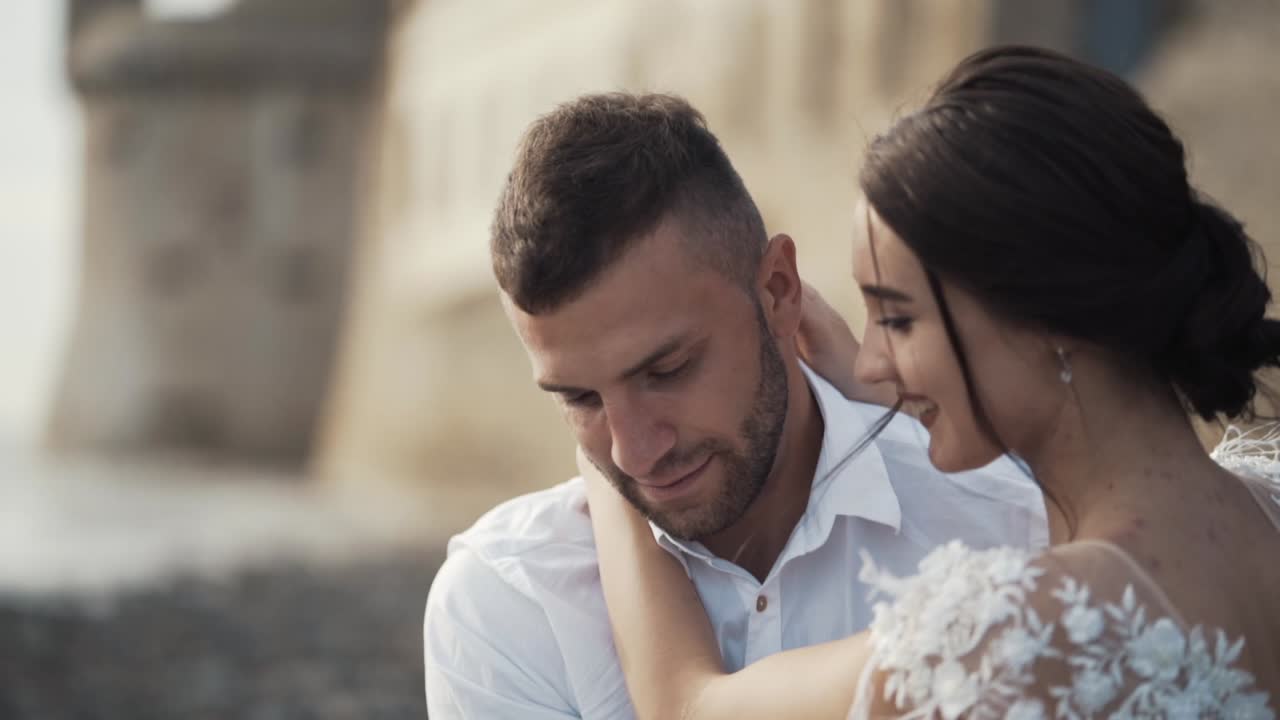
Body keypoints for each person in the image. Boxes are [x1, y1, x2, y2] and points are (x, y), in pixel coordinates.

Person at [580, 45, 1280, 720]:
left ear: (1049, 315)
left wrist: (609, 451)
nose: (868, 363)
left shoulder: (1023, 635)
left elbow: (687, 705)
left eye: (899, 317)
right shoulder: (1261, 506)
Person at [422, 92, 1048, 718]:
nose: (632, 451)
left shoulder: (1009, 533)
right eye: (581, 399)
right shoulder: (505, 599)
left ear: (779, 292)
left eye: (667, 370)